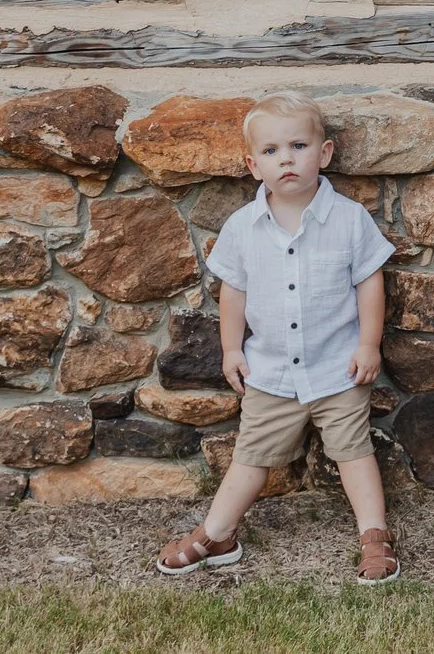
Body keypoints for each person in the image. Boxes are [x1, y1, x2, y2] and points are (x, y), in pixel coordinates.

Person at [157, 95, 401, 585]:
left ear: (325, 153)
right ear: (253, 165)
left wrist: (368, 344)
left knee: (353, 451)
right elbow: (233, 293)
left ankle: (375, 536)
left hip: (339, 368)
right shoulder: (243, 228)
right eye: (271, 150)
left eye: (298, 145)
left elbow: (369, 283)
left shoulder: (349, 219)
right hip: (270, 371)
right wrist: (230, 349)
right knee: (250, 456)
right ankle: (218, 533)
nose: (286, 158)